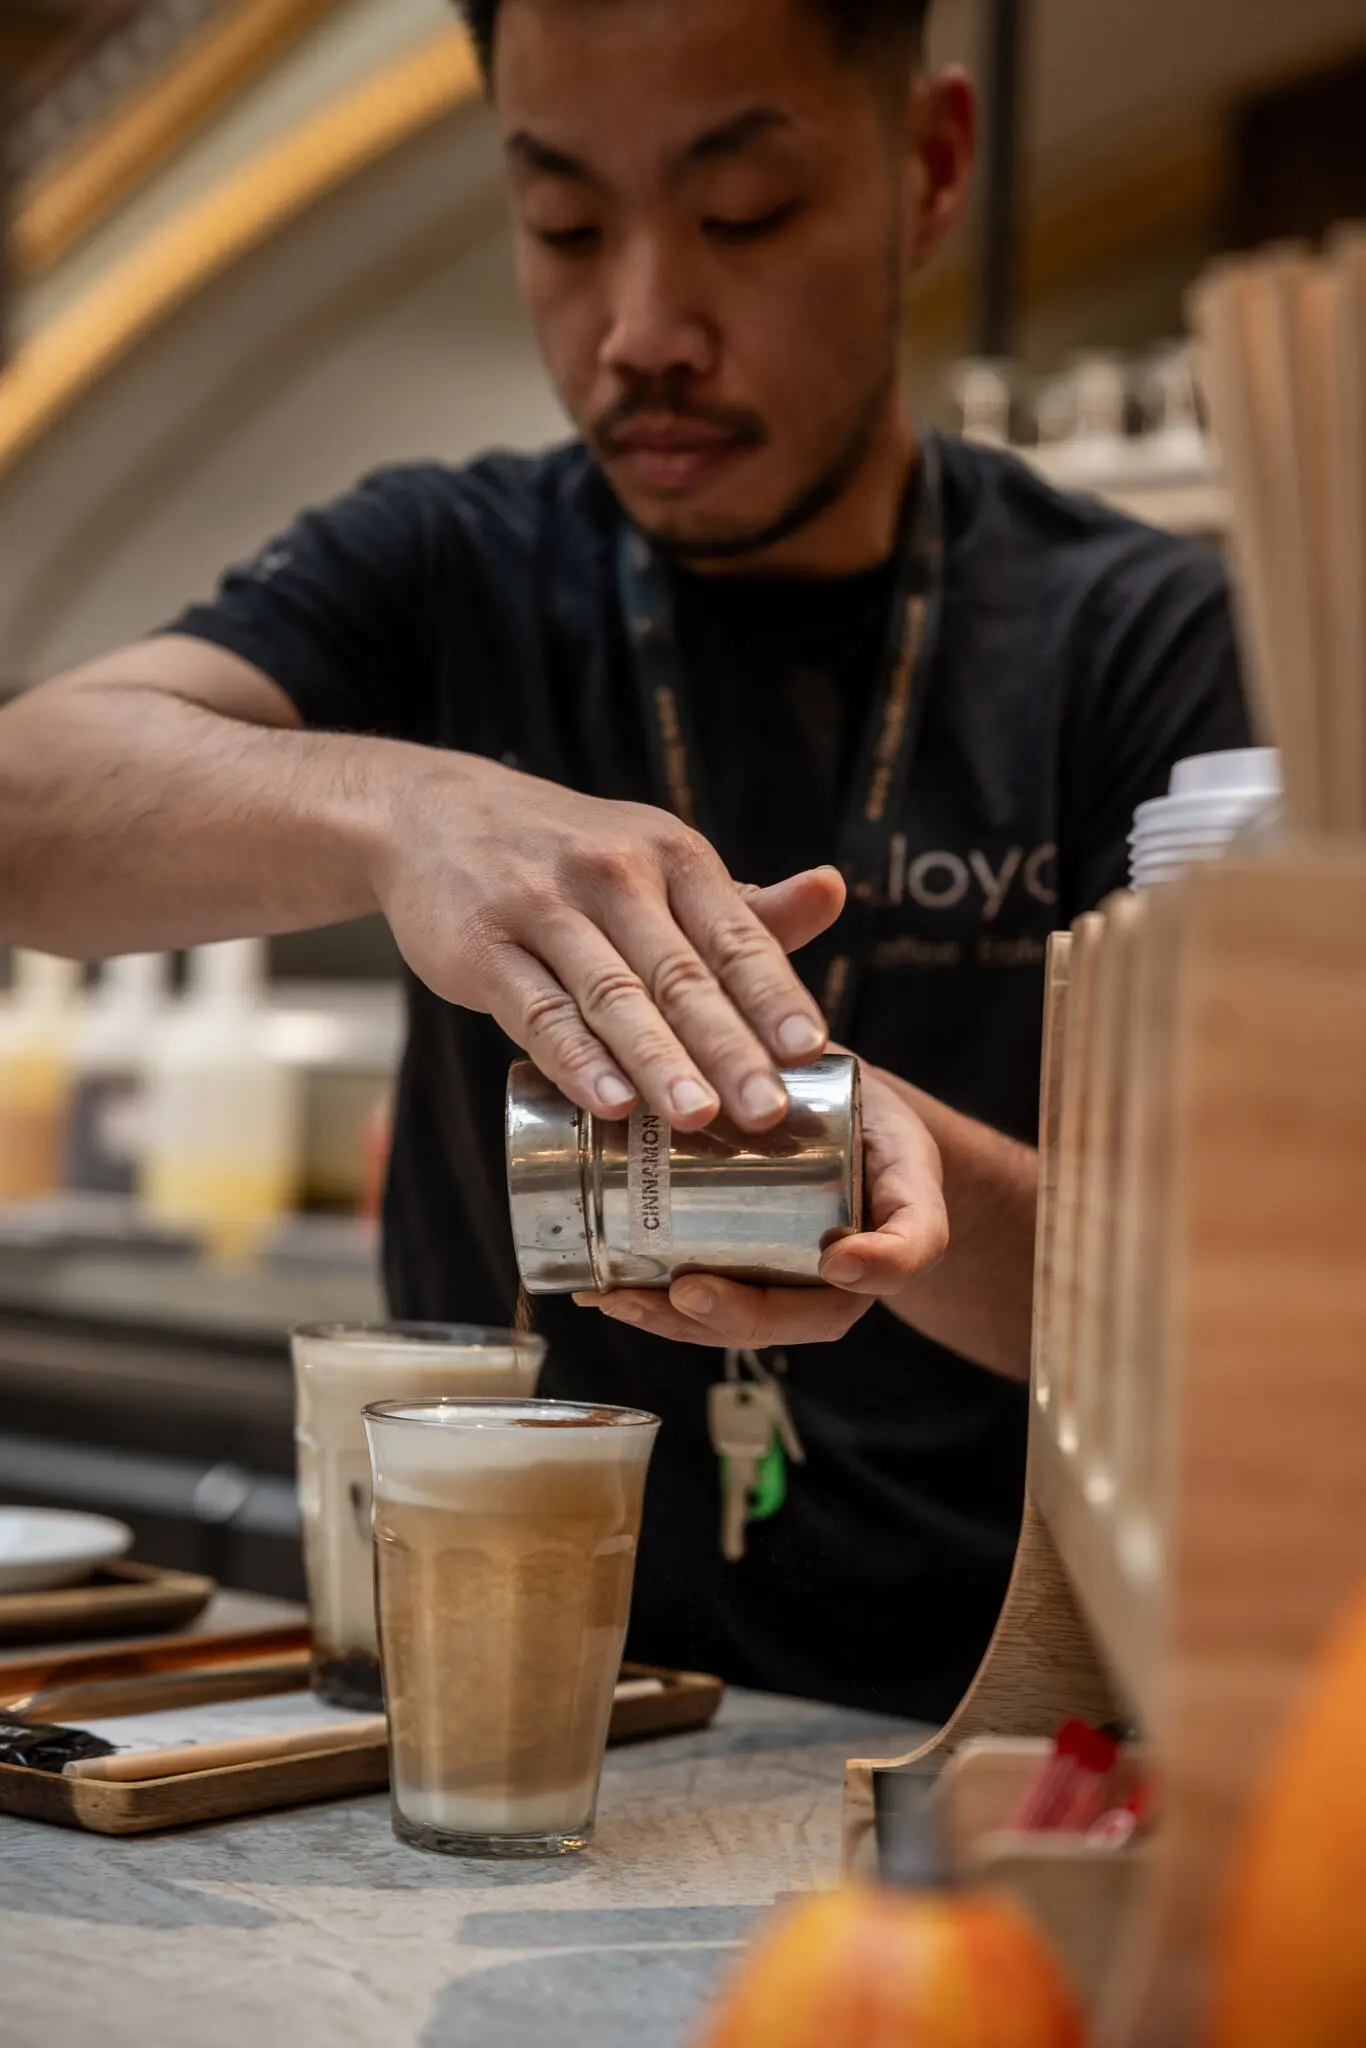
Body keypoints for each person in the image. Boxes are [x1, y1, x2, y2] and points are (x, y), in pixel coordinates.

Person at [0, 0, 1248, 1720]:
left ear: (929, 168)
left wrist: (870, 1176)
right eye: (566, 227)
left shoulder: (1147, 643)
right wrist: (404, 809)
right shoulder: (444, 564)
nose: (642, 327)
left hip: (988, 1757)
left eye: (740, 216)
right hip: (504, 1735)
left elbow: (1237, 1326)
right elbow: (25, 807)